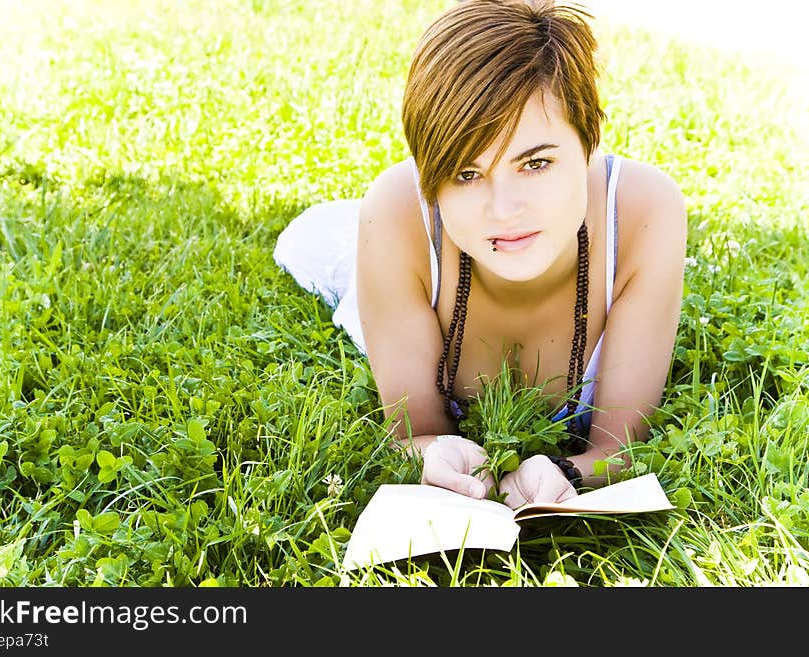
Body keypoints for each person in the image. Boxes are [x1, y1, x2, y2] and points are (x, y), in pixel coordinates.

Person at [274, 0, 686, 509]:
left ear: (589, 142)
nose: (504, 210)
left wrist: (567, 473)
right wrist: (430, 453)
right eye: (467, 174)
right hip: (409, 259)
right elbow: (411, 434)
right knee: (303, 241)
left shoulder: (645, 213)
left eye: (535, 163)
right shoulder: (399, 215)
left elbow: (618, 448)